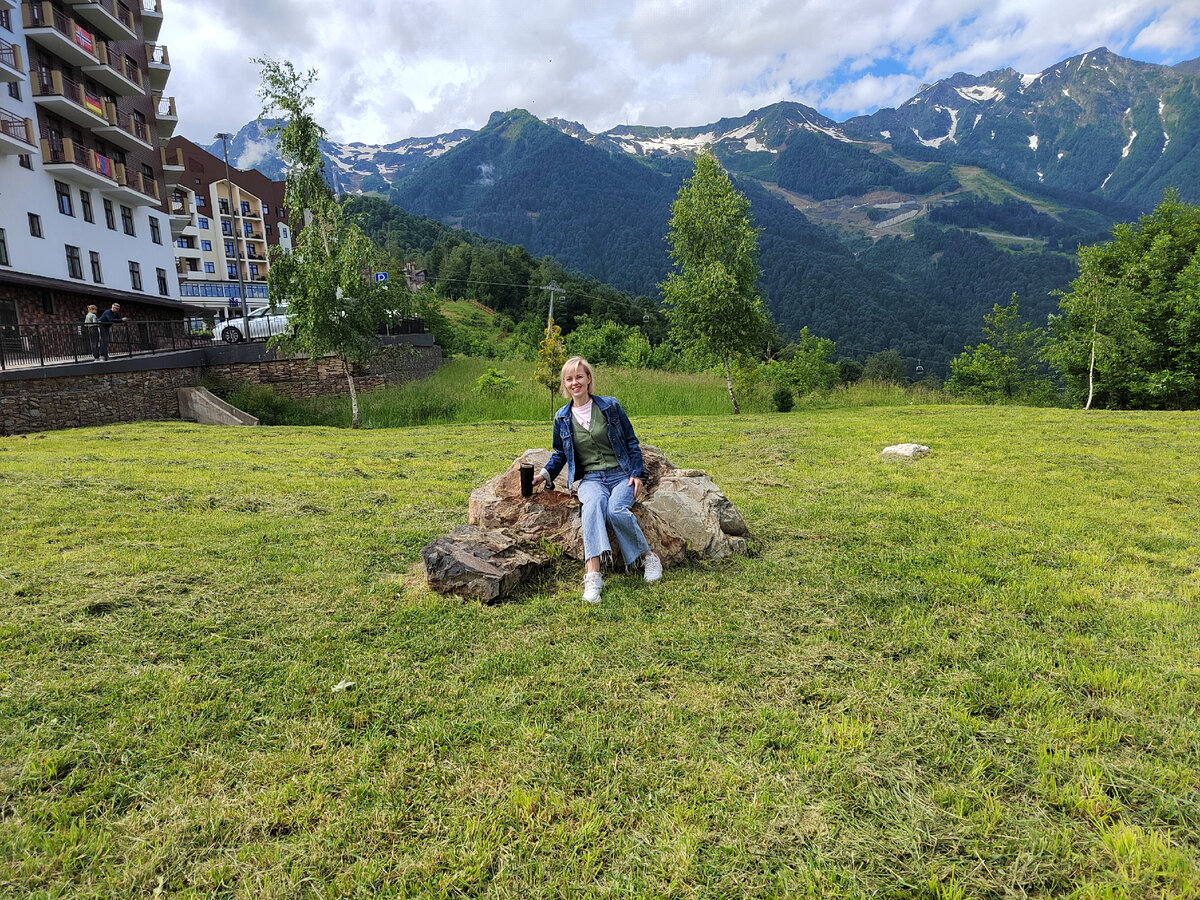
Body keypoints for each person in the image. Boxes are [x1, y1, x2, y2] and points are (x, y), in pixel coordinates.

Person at [533, 356, 663, 603]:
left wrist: (637, 474)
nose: (575, 383)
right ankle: (593, 576)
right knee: (592, 506)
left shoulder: (610, 406)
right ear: (564, 384)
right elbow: (561, 453)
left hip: (620, 475)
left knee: (615, 511)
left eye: (579, 377)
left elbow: (631, 442)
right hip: (591, 479)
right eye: (569, 379)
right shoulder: (561, 417)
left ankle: (648, 558)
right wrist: (543, 475)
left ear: (589, 379)